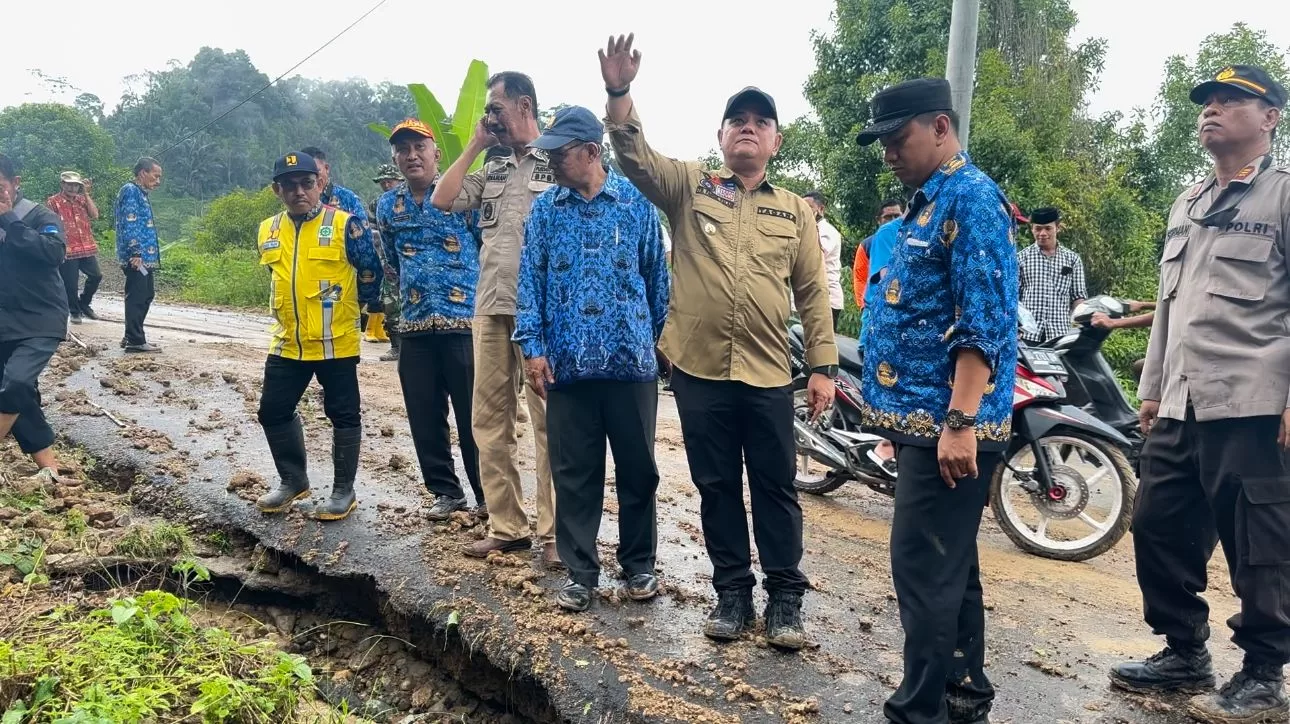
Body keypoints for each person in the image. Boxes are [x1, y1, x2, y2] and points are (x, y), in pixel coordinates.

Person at [600, 34, 837, 650]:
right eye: (739, 121)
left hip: (765, 374)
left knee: (775, 488)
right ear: (722, 135)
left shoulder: (794, 212)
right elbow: (635, 157)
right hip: (700, 371)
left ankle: (785, 598)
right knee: (716, 485)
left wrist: (822, 366)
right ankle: (732, 594)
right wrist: (620, 93)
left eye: (761, 123)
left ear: (776, 141)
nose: (749, 130)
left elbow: (812, 293)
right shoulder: (692, 187)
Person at [1110, 64, 1290, 724]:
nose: (1211, 109)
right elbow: (1169, 305)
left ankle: (1265, 676)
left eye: (1231, 99)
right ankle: (1185, 650)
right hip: (1181, 402)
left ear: (1270, 116)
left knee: (1258, 543)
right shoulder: (1186, 202)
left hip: (1252, 404)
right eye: (1206, 101)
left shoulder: (1281, 197)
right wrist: (1152, 388)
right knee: (1157, 524)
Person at [856, 78, 1019, 724]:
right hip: (924, 422)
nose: (889, 153)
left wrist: (958, 423)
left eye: (899, 139)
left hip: (947, 424)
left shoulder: (970, 197)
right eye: (883, 144)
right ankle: (962, 693)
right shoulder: (928, 201)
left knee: (922, 569)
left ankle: (916, 711)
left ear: (941, 128)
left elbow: (982, 323)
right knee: (950, 568)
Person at [513, 106, 670, 612]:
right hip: (566, 367)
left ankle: (639, 564)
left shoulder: (636, 206)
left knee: (637, 469)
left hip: (630, 367)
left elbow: (658, 285)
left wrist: (645, 339)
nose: (552, 162)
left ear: (591, 152)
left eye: (560, 153)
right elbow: (529, 283)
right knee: (574, 470)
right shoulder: (546, 211)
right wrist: (532, 350)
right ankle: (581, 572)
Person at [430, 71, 560, 568]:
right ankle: (507, 527)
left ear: (524, 105)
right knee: (489, 421)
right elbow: (443, 199)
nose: (490, 118)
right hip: (489, 308)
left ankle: (553, 535)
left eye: (496, 110)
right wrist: (473, 146)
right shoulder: (495, 168)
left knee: (551, 424)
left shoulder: (558, 160)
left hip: (542, 315)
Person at [252, 152, 381, 522]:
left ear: (320, 184)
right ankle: (293, 480)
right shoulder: (267, 230)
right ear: (277, 189)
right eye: (289, 185)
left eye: (306, 183)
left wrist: (363, 311)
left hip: (335, 341)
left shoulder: (346, 225)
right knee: (272, 410)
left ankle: (344, 490)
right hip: (287, 342)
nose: (298, 191)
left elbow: (370, 271)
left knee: (342, 415)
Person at [376, 120, 486, 520]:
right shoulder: (388, 206)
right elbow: (390, 261)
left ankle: (487, 496)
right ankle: (445, 491)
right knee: (424, 414)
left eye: (419, 147)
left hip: (465, 324)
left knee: (475, 416)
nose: (411, 156)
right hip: (415, 325)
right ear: (395, 159)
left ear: (436, 153)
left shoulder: (463, 196)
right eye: (403, 150)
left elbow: (485, 248)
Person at [0, 154, 70, 478]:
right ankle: (51, 471)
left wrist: (9, 220)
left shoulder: (39, 215)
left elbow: (55, 253)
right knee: (20, 394)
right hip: (5, 321)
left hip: (42, 319)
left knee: (14, 383)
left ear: (16, 184)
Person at [301, 146, 383, 345]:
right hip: (305, 291)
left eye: (316, 170)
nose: (312, 177)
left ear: (326, 168)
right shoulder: (298, 200)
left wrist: (361, 298)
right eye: (306, 174)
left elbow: (365, 255)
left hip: (340, 290)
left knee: (337, 346)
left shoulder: (347, 200)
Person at [1017, 207, 1086, 344]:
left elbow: (1078, 297)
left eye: (1048, 228)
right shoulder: (1021, 258)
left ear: (1057, 228)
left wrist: (1080, 327)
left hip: (1059, 334)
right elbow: (1013, 297)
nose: (1042, 233)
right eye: (1038, 229)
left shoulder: (1072, 259)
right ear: (1032, 229)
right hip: (1028, 335)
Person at [115, 157, 163, 353]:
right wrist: (135, 252)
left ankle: (130, 335)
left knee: (146, 294)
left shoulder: (141, 193)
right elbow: (130, 222)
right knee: (137, 296)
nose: (158, 180)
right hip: (137, 258)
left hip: (145, 258)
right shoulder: (131, 191)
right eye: (155, 175)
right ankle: (136, 340)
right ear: (143, 173)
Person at [46, 171, 103, 324]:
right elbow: (50, 224)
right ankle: (74, 311)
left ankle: (84, 303)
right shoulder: (53, 201)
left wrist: (86, 194)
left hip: (86, 246)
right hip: (67, 248)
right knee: (70, 284)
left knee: (96, 276)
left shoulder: (82, 200)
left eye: (76, 185)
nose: (72, 188)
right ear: (62, 184)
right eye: (69, 184)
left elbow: (95, 215)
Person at [371, 163, 404, 362]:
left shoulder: (409, 199)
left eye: (389, 181)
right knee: (390, 304)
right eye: (382, 182)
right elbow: (372, 231)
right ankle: (396, 347)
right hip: (388, 265)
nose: (385, 185)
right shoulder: (378, 204)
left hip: (410, 264)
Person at [853, 199, 904, 321]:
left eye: (897, 216)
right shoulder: (867, 245)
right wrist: (863, 306)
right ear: (879, 220)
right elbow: (860, 277)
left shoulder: (912, 240)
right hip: (873, 308)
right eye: (887, 217)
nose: (893, 220)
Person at [802, 191, 844, 328]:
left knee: (820, 346)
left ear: (820, 209)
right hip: (808, 298)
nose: (804, 211)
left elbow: (815, 255)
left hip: (826, 300)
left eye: (809, 207)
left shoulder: (827, 231)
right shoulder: (808, 230)